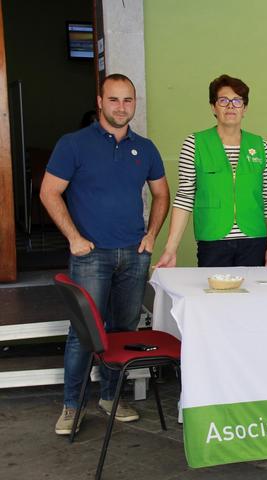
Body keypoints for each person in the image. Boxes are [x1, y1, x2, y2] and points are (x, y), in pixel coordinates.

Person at [40, 73, 170, 435]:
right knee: (84, 334)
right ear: (100, 102)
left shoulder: (145, 148)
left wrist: (151, 236)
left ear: (134, 103)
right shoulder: (74, 144)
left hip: (134, 255)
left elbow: (162, 193)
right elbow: (49, 192)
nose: (121, 107)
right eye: (113, 99)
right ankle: (72, 406)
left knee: (123, 332)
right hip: (91, 256)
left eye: (128, 100)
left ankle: (111, 398)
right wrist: (73, 238)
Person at [157, 74, 267, 267]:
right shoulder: (194, 144)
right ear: (213, 107)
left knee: (251, 288)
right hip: (213, 241)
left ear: (245, 108)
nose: (230, 106)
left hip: (254, 241)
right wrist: (171, 249)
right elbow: (184, 197)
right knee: (214, 287)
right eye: (223, 101)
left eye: (237, 101)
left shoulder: (260, 145)